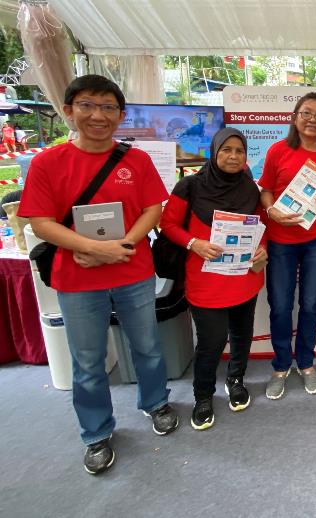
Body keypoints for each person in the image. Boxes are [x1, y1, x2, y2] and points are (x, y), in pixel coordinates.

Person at [17, 75, 179, 475]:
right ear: (68, 111)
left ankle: (156, 403)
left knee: (147, 346)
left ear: (120, 115)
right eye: (87, 105)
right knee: (87, 360)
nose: (98, 116)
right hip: (77, 280)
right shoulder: (47, 163)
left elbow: (152, 210)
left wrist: (121, 246)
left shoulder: (136, 161)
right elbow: (40, 222)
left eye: (108, 107)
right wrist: (93, 248)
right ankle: (96, 432)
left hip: (133, 271)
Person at [161, 128, 267, 430]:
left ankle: (236, 380)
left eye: (239, 151)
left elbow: (262, 226)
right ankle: (203, 395)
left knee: (242, 335)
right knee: (212, 341)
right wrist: (194, 243)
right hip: (205, 281)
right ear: (214, 152)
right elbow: (168, 224)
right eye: (226, 150)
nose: (233, 156)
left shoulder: (251, 189)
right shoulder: (190, 186)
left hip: (244, 277)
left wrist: (262, 248)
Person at [258, 92, 316, 398]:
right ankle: (281, 365)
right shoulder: (278, 151)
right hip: (281, 240)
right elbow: (265, 190)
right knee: (280, 306)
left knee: (310, 304)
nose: (312, 120)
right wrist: (272, 211)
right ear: (295, 118)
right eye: (306, 113)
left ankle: (306, 363)